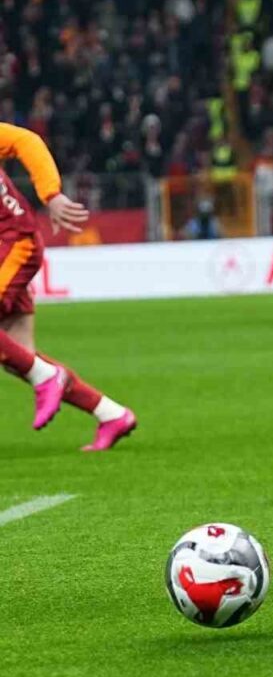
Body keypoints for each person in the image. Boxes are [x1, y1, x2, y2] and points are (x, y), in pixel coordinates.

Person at [0, 123, 137, 451]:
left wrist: (51, 193)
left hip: (13, 242)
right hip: (10, 246)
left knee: (33, 367)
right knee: (19, 355)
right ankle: (111, 414)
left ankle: (46, 378)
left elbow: (26, 140)